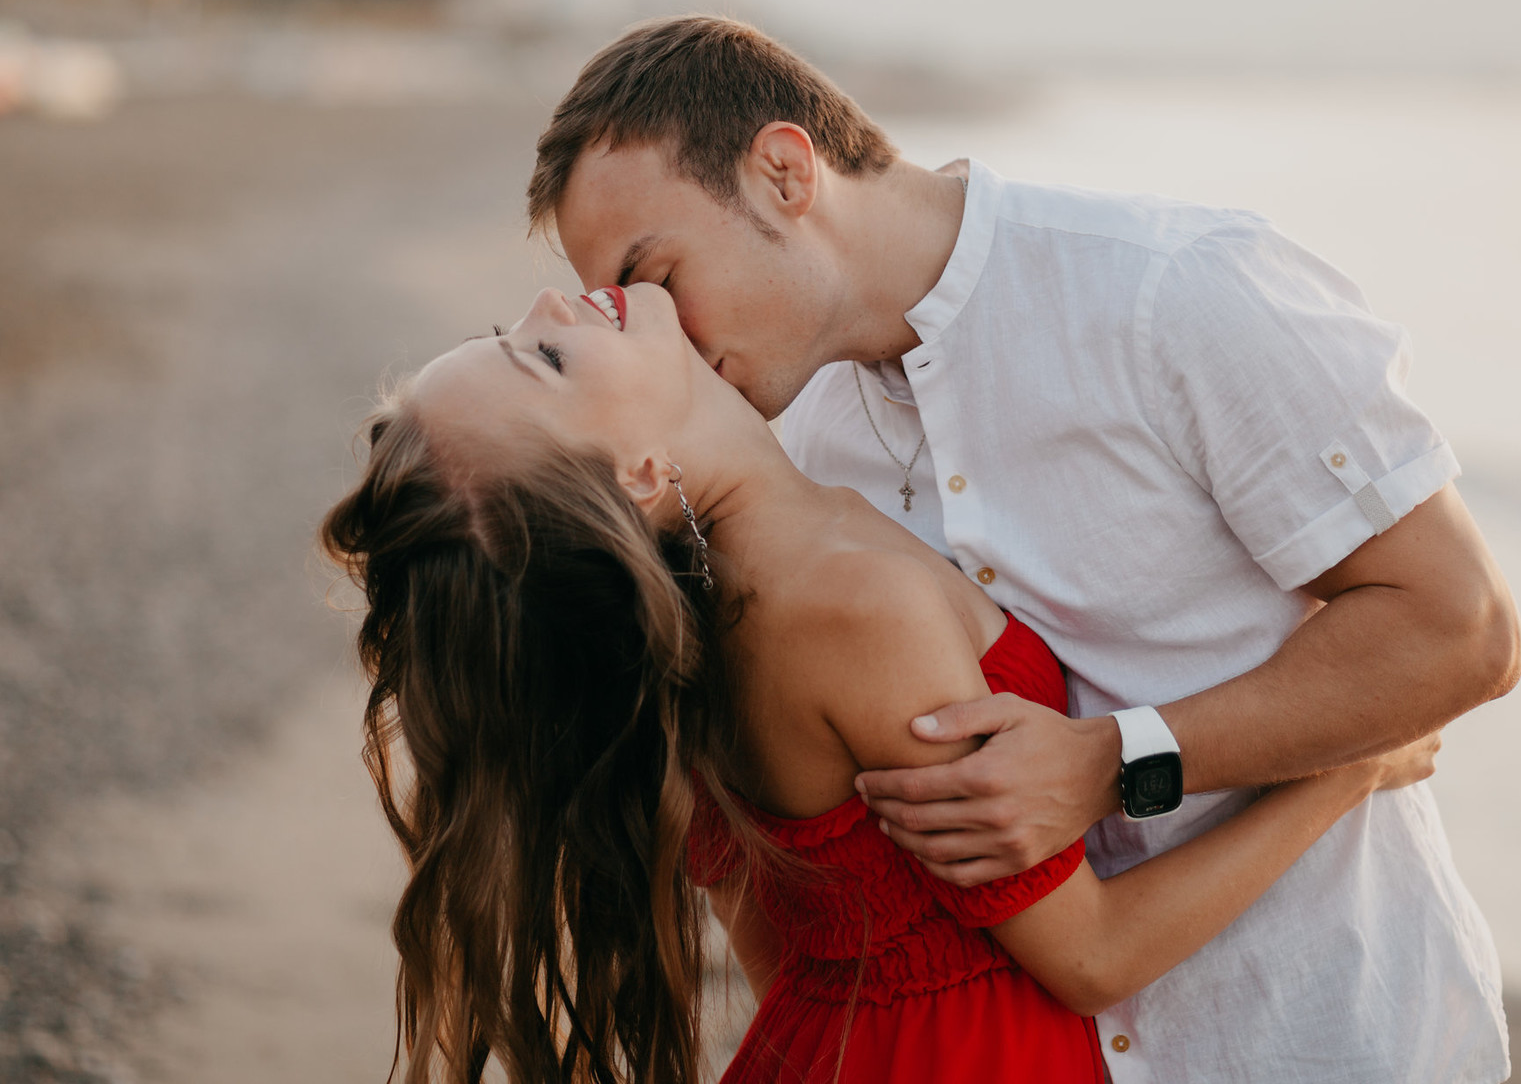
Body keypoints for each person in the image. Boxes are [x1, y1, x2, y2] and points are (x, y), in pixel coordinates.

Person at [525, 16, 1521, 1083]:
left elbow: (1463, 628)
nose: (661, 330)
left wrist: (1119, 763)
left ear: (783, 172)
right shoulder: (797, 451)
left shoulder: (1173, 295)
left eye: (659, 274)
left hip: (1321, 1033)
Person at [320, 283, 1442, 1084]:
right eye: (545, 360)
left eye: (512, 331)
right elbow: (1094, 956)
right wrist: (1345, 770)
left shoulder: (708, 612)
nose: (557, 306)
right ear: (641, 475)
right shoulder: (846, 607)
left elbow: (772, 931)